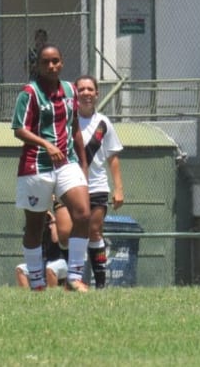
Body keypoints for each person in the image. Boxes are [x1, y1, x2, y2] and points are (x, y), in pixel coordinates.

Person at [12, 43, 91, 292]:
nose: (51, 66)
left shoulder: (70, 90)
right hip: (36, 166)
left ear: (62, 62)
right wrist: (46, 144)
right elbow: (19, 129)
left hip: (67, 162)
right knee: (35, 227)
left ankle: (75, 276)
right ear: (38, 66)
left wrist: (83, 164)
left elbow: (75, 128)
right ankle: (36, 281)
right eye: (46, 62)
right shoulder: (29, 93)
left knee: (83, 215)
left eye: (55, 61)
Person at [76, 75, 125, 289]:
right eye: (81, 89)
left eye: (90, 89)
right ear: (75, 93)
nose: (86, 93)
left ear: (97, 94)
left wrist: (119, 189)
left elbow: (113, 157)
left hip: (96, 186)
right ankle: (71, 279)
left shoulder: (103, 123)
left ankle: (100, 284)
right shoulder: (67, 120)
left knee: (94, 230)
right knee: (68, 233)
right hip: (71, 186)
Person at [15, 210, 67, 288]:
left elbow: (55, 239)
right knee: (20, 269)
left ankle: (53, 296)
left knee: (50, 268)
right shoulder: (36, 228)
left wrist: (52, 221)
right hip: (43, 262)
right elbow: (28, 243)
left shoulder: (55, 223)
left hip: (61, 260)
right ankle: (26, 296)